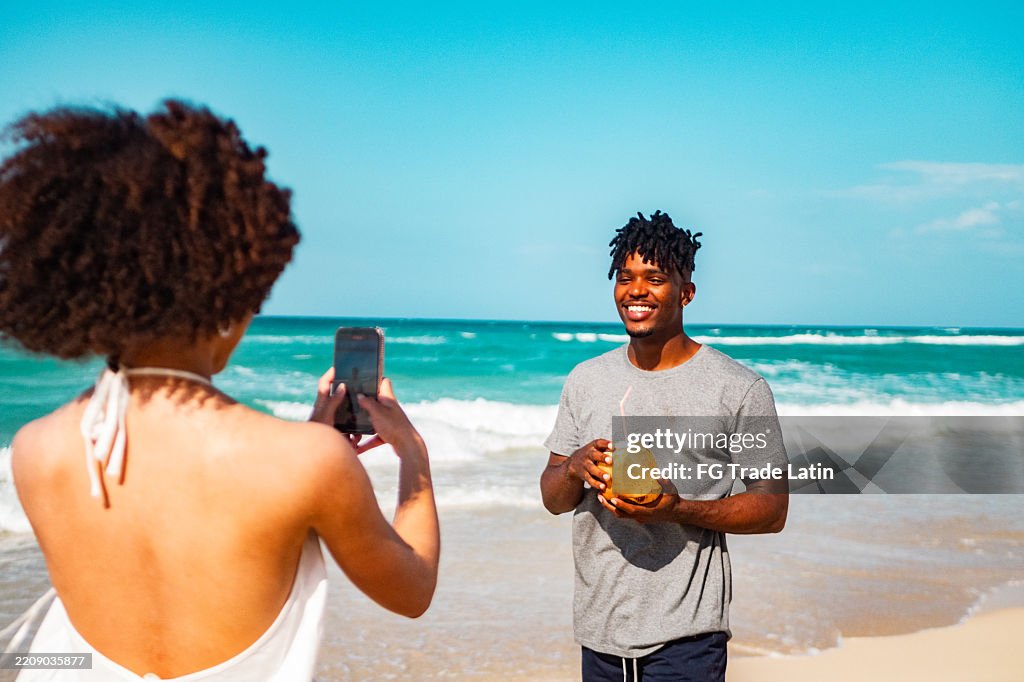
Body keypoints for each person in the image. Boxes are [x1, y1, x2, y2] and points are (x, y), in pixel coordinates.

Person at [0, 101, 439, 680]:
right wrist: (414, 456)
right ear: (231, 292)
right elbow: (410, 591)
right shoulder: (307, 462)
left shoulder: (36, 448)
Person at [539, 211, 788, 682]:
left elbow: (773, 510)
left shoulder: (739, 388)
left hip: (687, 638)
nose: (636, 290)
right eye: (625, 277)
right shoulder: (586, 380)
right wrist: (573, 467)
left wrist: (675, 508)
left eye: (655, 278)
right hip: (599, 633)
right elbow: (552, 499)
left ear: (686, 293)